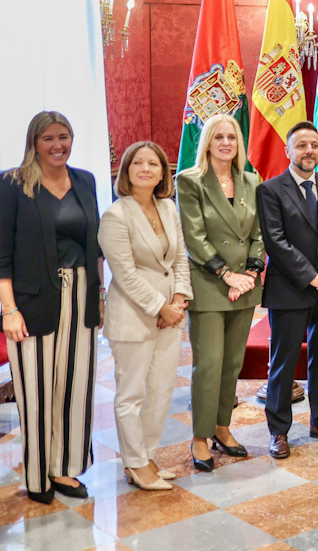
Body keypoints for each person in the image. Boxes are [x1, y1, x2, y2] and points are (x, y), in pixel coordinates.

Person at [0, 112, 102, 504]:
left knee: (76, 387)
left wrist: (99, 296)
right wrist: (8, 310)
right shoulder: (13, 183)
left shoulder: (85, 180)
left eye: (64, 137)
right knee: (37, 391)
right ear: (34, 142)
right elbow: (2, 255)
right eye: (48, 138)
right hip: (32, 301)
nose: (58, 145)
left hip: (81, 295)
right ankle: (37, 474)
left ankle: (64, 467)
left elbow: (94, 246)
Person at [257, 122, 318, 459]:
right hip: (290, 288)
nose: (309, 150)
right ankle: (278, 431)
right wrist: (312, 276)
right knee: (283, 363)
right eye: (301, 145)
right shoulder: (270, 190)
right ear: (288, 151)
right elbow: (275, 241)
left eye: (313, 144)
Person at [99, 141, 191, 491]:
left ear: (163, 172)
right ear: (127, 170)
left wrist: (178, 299)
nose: (146, 169)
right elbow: (124, 273)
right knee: (132, 393)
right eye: (138, 163)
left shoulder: (167, 207)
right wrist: (160, 307)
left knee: (161, 390)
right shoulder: (116, 215)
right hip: (133, 315)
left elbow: (179, 258)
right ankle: (135, 463)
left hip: (170, 315)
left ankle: (147, 457)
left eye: (153, 163)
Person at [177, 113, 265, 472]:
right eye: (219, 137)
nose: (226, 143)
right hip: (211, 283)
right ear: (208, 143)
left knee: (232, 363)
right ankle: (200, 435)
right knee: (209, 363)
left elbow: (259, 233)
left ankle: (222, 427)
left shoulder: (251, 180)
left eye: (231, 137)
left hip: (244, 286)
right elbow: (194, 237)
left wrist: (251, 272)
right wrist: (227, 275)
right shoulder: (190, 181)